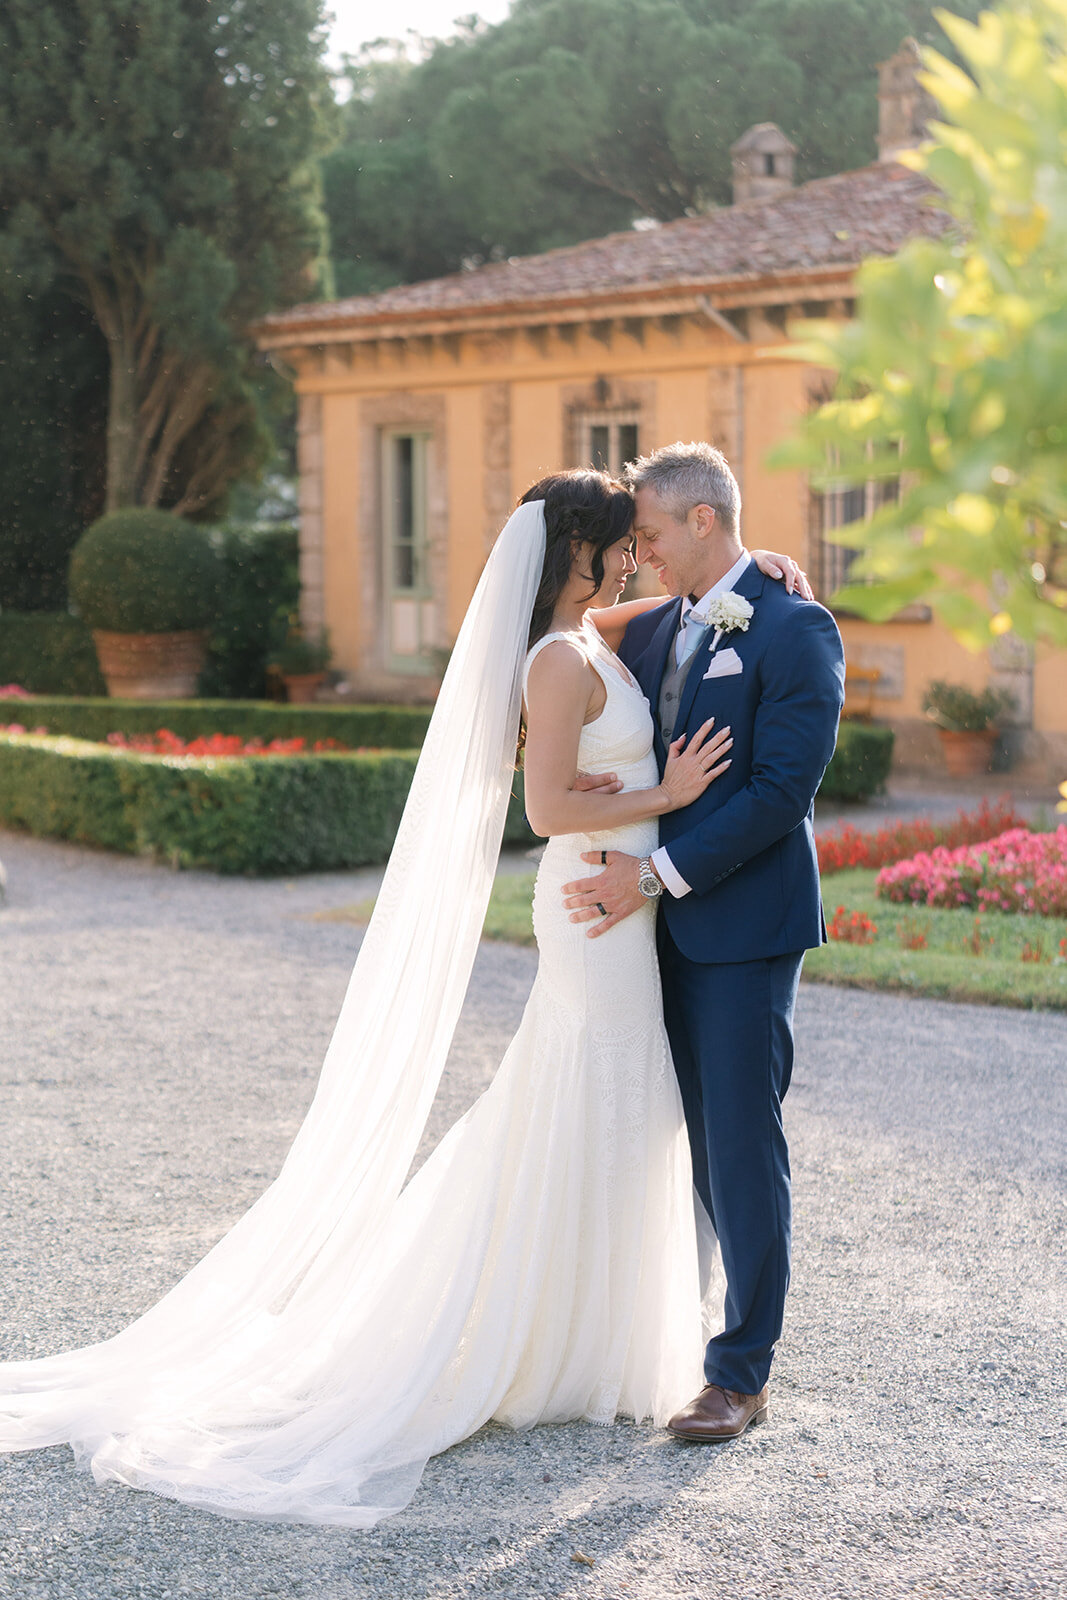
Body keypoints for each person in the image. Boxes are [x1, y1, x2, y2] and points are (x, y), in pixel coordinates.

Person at [0, 469, 809, 1528]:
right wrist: (669, 791)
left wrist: (754, 576)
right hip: (596, 902)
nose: (636, 555)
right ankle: (525, 1337)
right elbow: (547, 801)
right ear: (582, 548)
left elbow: (653, 615)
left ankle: (591, 1338)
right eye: (623, 540)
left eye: (647, 537)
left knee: (615, 1104)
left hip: (629, 907)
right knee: (585, 1094)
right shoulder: (558, 661)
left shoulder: (591, 633)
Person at [561, 443, 845, 1441]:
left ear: (699, 522)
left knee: (737, 1146)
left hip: (739, 928)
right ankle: (681, 1330)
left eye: (646, 533)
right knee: (676, 1147)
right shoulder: (661, 627)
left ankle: (738, 1373)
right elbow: (561, 628)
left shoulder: (792, 626)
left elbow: (779, 794)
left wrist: (648, 875)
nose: (637, 551)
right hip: (649, 936)